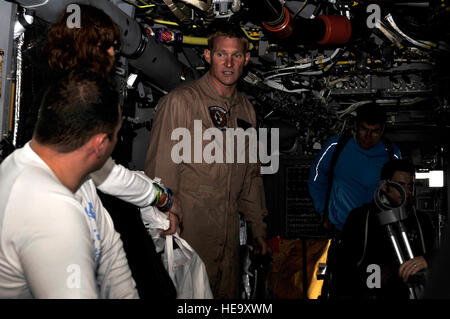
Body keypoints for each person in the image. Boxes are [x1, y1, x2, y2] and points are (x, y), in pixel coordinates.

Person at [41, 5, 181, 299]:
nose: (113, 54)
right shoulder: (87, 95)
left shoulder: (50, 86)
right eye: (107, 45)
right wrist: (161, 195)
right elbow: (106, 175)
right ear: (89, 45)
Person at [144, 25, 270, 299]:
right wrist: (163, 217)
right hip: (188, 229)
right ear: (207, 56)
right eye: (221, 54)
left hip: (230, 236)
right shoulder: (181, 103)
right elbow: (160, 170)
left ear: (246, 60)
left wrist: (258, 228)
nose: (228, 63)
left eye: (236, 56)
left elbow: (250, 175)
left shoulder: (246, 111)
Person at [0, 71, 138, 298]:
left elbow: (110, 250)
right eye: (116, 135)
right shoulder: (51, 215)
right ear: (100, 145)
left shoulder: (72, 174)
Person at [335, 159, 436, 299]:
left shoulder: (420, 220)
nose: (407, 191)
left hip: (409, 293)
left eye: (410, 186)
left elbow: (436, 256)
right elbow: (343, 265)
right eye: (400, 185)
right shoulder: (361, 217)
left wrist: (427, 260)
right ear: (384, 186)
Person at [307, 103, 402, 232]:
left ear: (382, 130)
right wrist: (323, 211)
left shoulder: (391, 153)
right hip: (342, 228)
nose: (368, 136)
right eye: (364, 129)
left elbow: (400, 188)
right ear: (356, 126)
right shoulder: (335, 146)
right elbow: (316, 178)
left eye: (374, 131)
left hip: (379, 229)